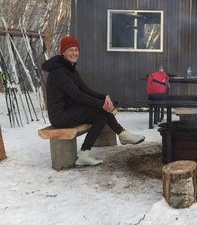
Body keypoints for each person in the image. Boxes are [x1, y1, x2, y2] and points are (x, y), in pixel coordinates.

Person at [42, 36, 145, 167]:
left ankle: (84, 153)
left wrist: (104, 97)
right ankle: (122, 133)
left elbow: (86, 90)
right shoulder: (59, 72)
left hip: (69, 111)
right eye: (70, 50)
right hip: (60, 116)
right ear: (63, 52)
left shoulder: (70, 69)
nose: (74, 53)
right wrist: (103, 105)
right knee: (100, 111)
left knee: (101, 116)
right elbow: (78, 96)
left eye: (76, 50)